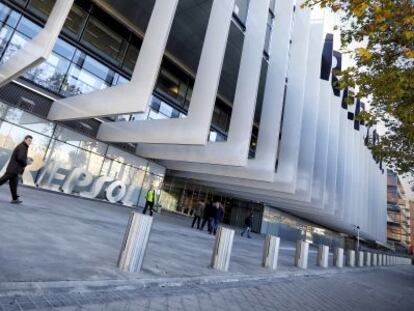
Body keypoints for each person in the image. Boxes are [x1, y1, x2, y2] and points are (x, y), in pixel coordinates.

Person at [0, 135, 32, 204]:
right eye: (29, 140)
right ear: (25, 139)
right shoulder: (22, 146)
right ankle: (15, 199)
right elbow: (20, 158)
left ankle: (15, 199)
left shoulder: (24, 146)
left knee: (14, 184)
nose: (30, 142)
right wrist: (26, 162)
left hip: (14, 170)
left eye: (30, 141)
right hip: (13, 169)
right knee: (2, 181)